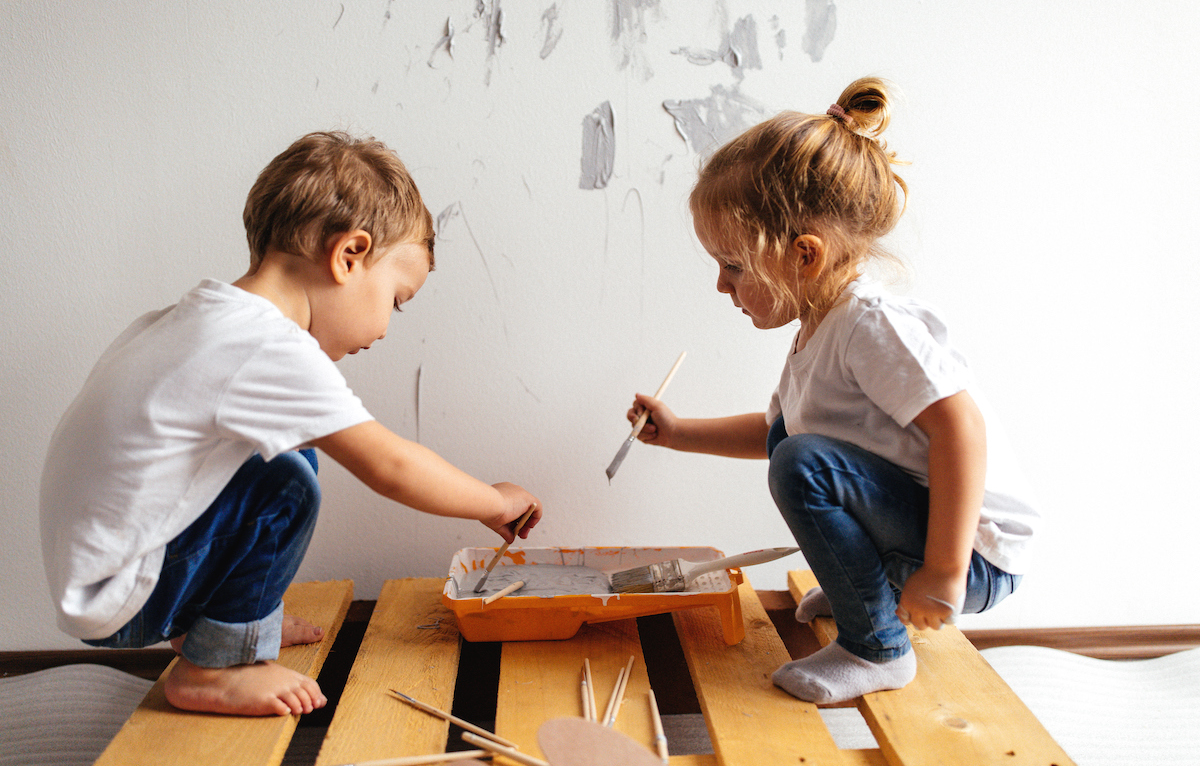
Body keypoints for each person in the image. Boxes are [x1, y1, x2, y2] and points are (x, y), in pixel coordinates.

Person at [40, 131, 542, 717]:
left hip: (110, 576)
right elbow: (391, 465)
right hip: (127, 593)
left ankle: (226, 628)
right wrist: (491, 501)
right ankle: (214, 667)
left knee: (280, 453)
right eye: (396, 299)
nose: (385, 328)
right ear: (349, 256)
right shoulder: (266, 346)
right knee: (287, 478)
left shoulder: (197, 320)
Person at [626, 78, 1039, 704]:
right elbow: (776, 433)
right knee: (790, 440)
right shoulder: (820, 326)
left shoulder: (870, 326)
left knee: (802, 462)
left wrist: (944, 571)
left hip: (974, 553)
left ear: (804, 255)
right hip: (928, 529)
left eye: (733, 265)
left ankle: (876, 646)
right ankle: (866, 598)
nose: (721, 286)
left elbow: (962, 430)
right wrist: (678, 433)